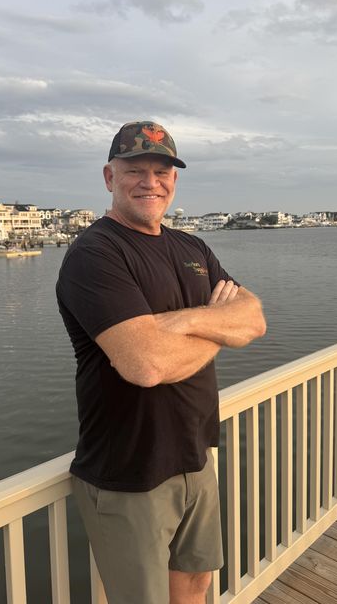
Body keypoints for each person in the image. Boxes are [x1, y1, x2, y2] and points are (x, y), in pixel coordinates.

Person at [56, 121, 266, 604]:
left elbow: (253, 318)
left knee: (195, 583)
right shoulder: (95, 253)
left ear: (174, 179)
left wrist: (181, 323)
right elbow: (145, 365)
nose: (150, 182)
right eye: (135, 170)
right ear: (109, 177)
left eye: (162, 171)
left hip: (195, 455)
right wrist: (217, 325)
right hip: (128, 471)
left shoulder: (192, 247)